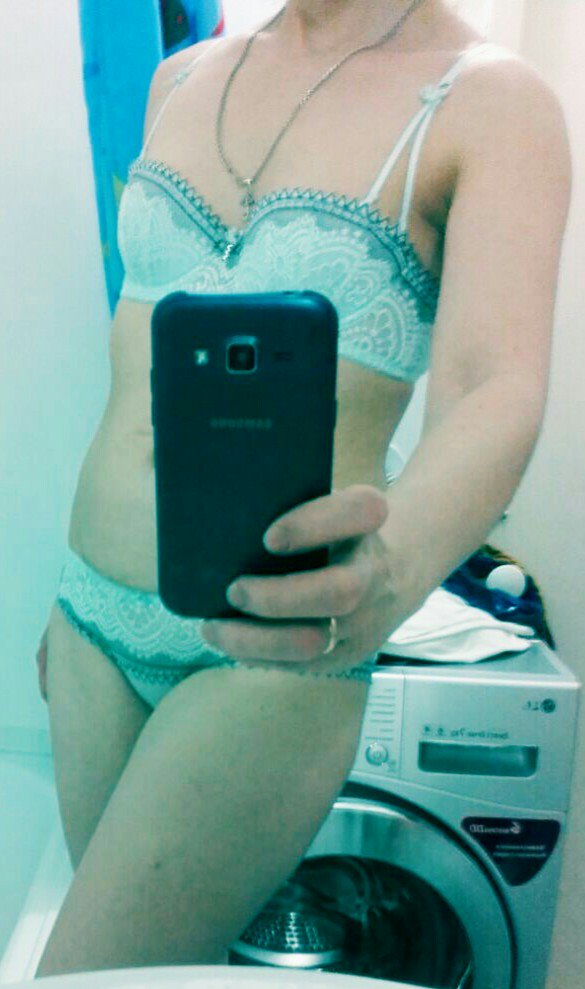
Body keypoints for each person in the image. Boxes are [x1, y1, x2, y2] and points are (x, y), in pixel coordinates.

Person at [35, 0, 571, 977]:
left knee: (86, 976)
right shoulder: (180, 77)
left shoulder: (489, 99)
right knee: (147, 976)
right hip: (89, 625)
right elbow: (138, 358)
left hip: (271, 650)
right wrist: (67, 608)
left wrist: (392, 568)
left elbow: (493, 389)